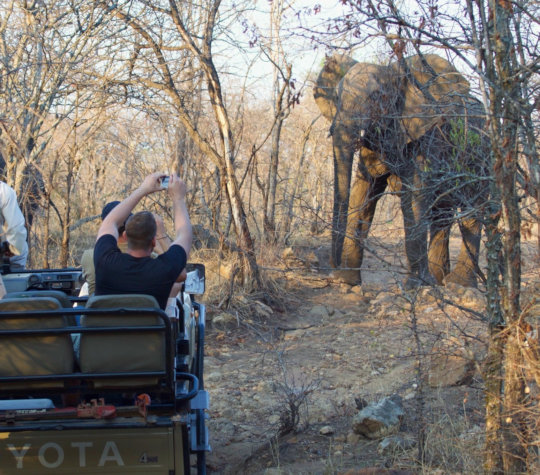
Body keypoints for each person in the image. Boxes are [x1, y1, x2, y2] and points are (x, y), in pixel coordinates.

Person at [94, 172, 192, 310]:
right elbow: (184, 235)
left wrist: (143, 189)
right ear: (153, 241)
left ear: (126, 236)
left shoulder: (105, 262)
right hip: (151, 332)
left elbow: (110, 221)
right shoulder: (164, 269)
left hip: (105, 332)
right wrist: (178, 199)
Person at [81, 202, 172, 295]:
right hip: (142, 308)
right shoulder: (151, 258)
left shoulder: (89, 256)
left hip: (99, 308)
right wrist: (161, 235)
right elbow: (175, 273)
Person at [0, 180, 28, 272]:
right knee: (21, 249)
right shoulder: (3, 190)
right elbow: (17, 228)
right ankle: (13, 281)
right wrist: (13, 248)